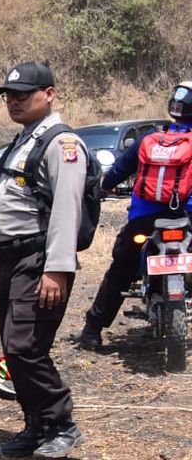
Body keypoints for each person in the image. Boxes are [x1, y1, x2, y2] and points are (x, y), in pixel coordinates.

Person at [0, 61, 88, 460]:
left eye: (22, 95)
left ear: (49, 94)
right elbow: (4, 208)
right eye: (9, 96)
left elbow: (66, 209)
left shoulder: (62, 144)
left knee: (24, 346)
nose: (14, 102)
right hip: (11, 260)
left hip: (38, 259)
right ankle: (37, 425)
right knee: (13, 349)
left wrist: (57, 269)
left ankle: (61, 424)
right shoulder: (23, 140)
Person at [78, 81, 192, 350]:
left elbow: (119, 169)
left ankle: (92, 330)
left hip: (145, 219)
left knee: (121, 268)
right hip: (188, 217)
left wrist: (106, 186)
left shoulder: (149, 138)